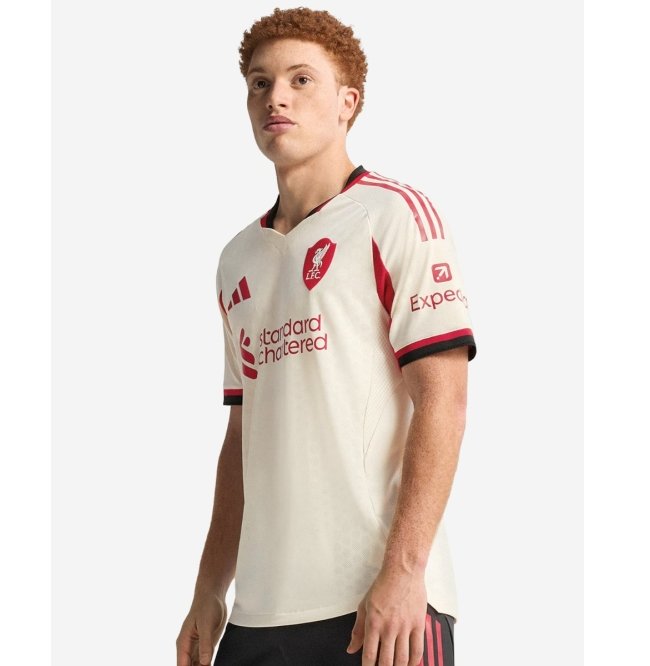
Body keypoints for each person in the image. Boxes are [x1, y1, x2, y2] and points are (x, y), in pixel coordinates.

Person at [176, 7, 476, 666]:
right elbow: (241, 436)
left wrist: (404, 573)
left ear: (348, 102)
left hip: (378, 605)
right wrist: (209, 589)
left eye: (300, 79)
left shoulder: (394, 216)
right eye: (259, 83)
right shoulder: (237, 259)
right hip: (259, 616)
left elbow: (443, 401)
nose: (275, 97)